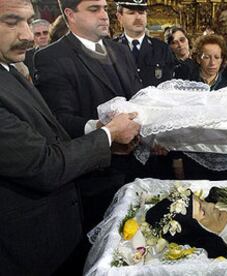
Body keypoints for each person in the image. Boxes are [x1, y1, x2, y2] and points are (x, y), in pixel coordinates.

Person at [0, 0, 140, 274]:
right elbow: (45, 164)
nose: (28, 36)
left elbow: (49, 131)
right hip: (27, 247)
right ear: (69, 15)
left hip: (59, 229)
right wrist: (108, 134)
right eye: (11, 21)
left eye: (28, 22)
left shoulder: (9, 69)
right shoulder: (45, 58)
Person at [34, 0, 146, 235]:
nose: (104, 15)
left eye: (105, 8)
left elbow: (136, 98)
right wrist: (104, 129)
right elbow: (58, 120)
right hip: (96, 180)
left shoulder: (120, 50)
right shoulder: (51, 57)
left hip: (137, 169)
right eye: (94, 9)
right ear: (70, 15)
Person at [115, 0, 175, 88]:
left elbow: (168, 86)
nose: (138, 17)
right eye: (131, 13)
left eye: (141, 12)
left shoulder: (162, 49)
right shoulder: (111, 49)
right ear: (120, 17)